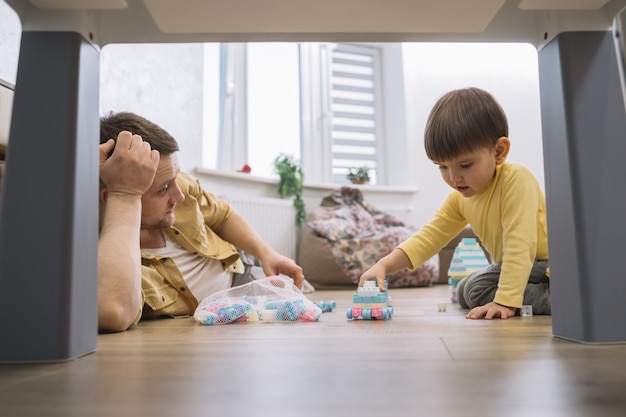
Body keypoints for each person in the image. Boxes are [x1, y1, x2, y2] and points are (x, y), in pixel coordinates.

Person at [98, 111, 304, 332]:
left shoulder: (166, 175)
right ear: (114, 195)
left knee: (301, 296)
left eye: (175, 179)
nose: (180, 196)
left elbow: (223, 216)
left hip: (239, 268)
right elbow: (113, 311)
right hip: (218, 312)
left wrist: (267, 253)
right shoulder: (107, 258)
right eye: (164, 189)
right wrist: (125, 196)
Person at [357, 87, 550, 320]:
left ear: (498, 151)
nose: (453, 177)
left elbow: (520, 245)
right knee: (464, 290)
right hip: (516, 268)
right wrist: (384, 266)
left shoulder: (517, 179)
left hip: (544, 267)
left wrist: (505, 302)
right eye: (442, 166)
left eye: (465, 165)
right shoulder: (460, 199)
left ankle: (562, 296)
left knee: (475, 290)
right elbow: (428, 238)